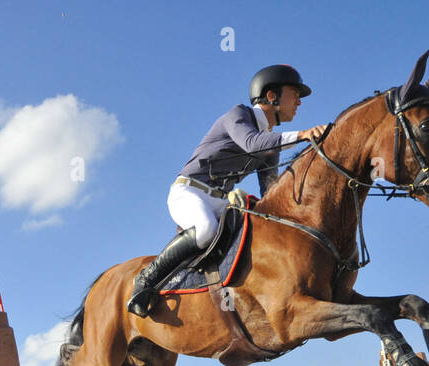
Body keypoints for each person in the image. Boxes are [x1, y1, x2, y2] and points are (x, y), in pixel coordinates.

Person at [127, 64, 329, 316]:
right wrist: (303, 135)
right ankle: (145, 280)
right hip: (189, 192)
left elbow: (271, 191)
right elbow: (252, 143)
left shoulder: (272, 144)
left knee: (257, 231)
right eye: (294, 94)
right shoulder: (238, 115)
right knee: (206, 229)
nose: (299, 102)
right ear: (271, 96)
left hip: (220, 202)